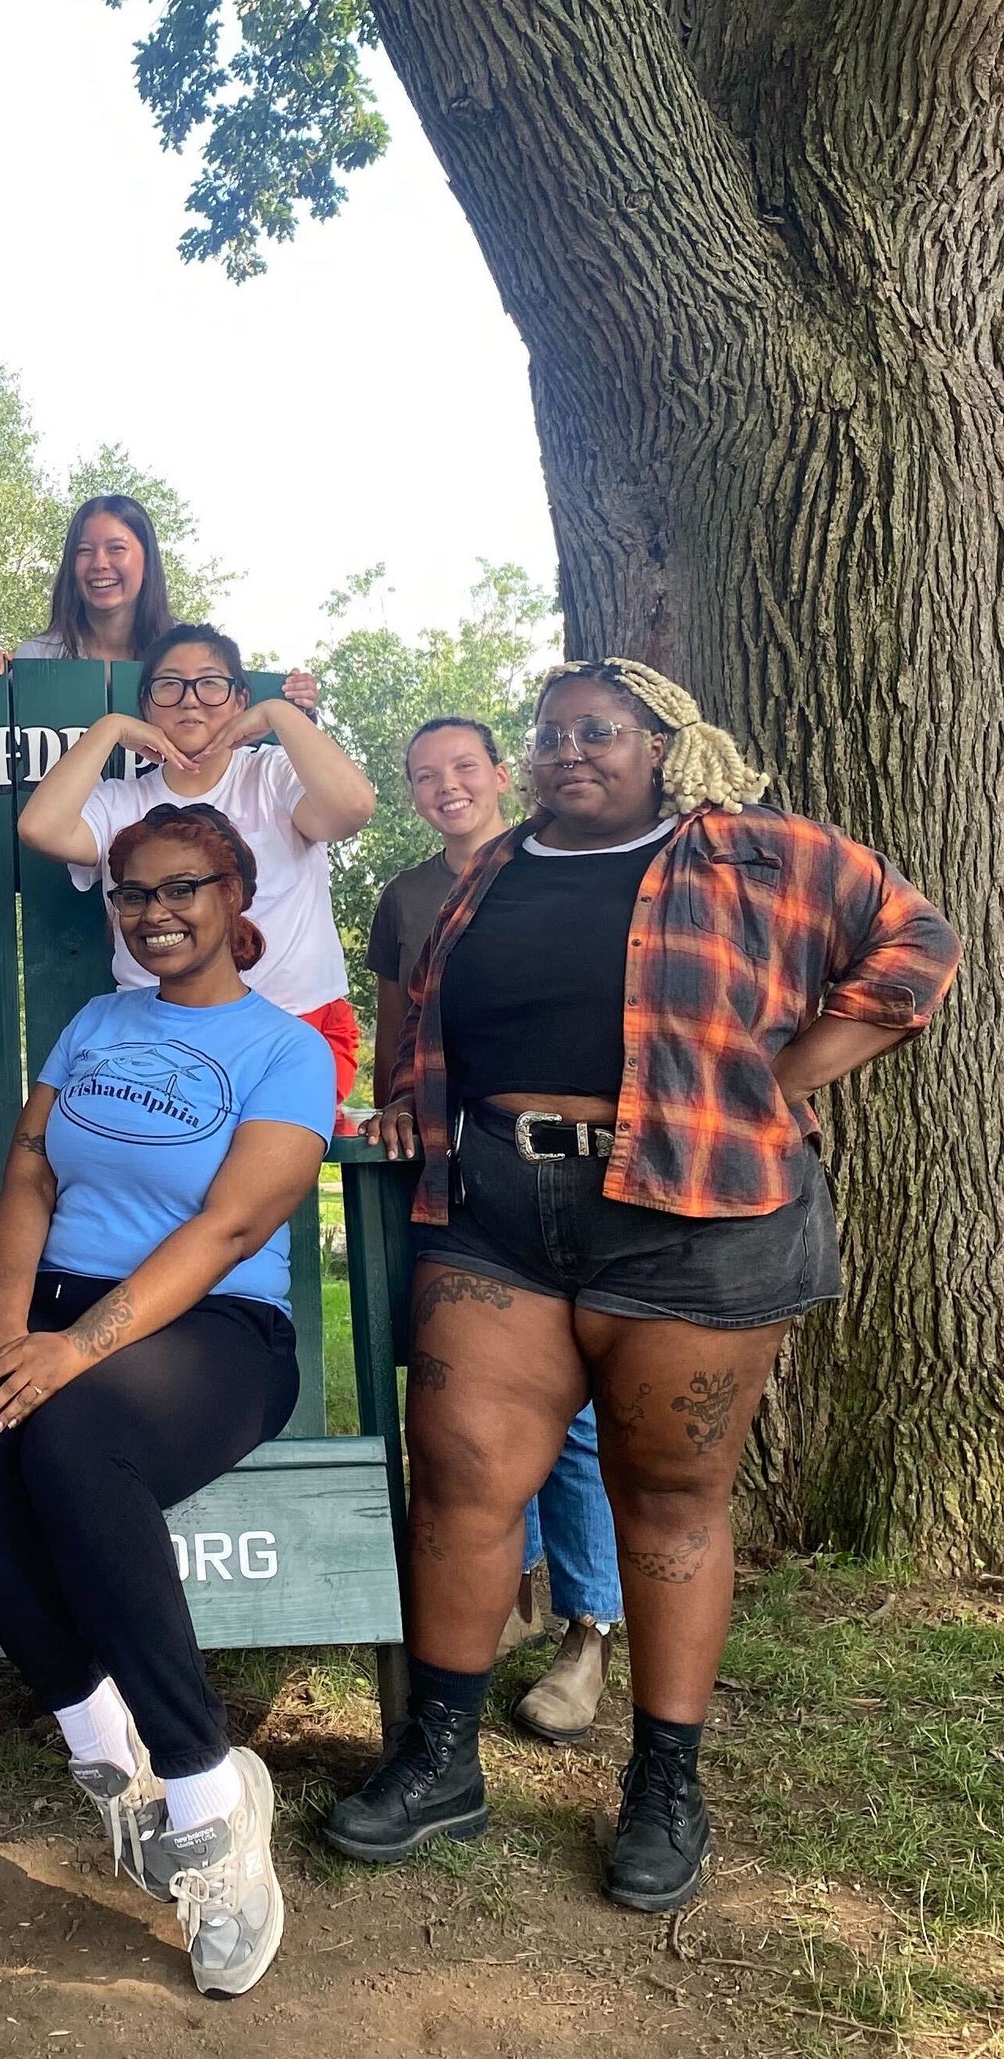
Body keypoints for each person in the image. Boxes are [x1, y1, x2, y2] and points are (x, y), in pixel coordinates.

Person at [322, 659, 959, 1913]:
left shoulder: (755, 851)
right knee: (459, 1476)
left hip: (693, 1217)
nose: (569, 751)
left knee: (666, 1499)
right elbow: (440, 1026)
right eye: (549, 733)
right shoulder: (491, 869)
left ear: (662, 744)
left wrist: (780, 1077)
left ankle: (663, 1780)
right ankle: (440, 1758)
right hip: (499, 1208)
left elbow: (916, 943)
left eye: (597, 731)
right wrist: (410, 1101)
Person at [0, 805, 332, 1999]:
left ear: (234, 892)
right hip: (56, 1308)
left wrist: (74, 1349)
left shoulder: (285, 1049)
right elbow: (30, 1167)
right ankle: (106, 1754)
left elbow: (231, 1224)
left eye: (181, 888)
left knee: (70, 1425)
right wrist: (7, 1316)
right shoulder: (95, 1023)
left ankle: (207, 1800)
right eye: (131, 894)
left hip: (211, 1328)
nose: (154, 912)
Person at [367, 716, 623, 1741]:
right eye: (423, 775)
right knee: (473, 1410)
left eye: (462, 767)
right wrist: (393, 1104)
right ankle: (504, 1596)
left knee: (573, 1415)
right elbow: (398, 1039)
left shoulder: (570, 869)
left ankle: (588, 1624)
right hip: (458, 1173)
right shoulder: (406, 898)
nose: (444, 787)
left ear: (499, 774)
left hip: (580, 1174)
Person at [16, 623, 375, 1104]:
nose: (190, 700)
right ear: (146, 706)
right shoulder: (121, 801)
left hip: (296, 1026)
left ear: (238, 699)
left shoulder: (273, 774)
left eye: (211, 683)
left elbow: (352, 808)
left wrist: (277, 714)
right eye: (168, 685)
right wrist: (110, 729)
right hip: (157, 1035)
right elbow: (40, 828)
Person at [0, 492, 318, 713]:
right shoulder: (35, 658)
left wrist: (295, 704)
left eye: (117, 549)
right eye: (85, 551)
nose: (100, 563)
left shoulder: (192, 653)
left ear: (147, 562)